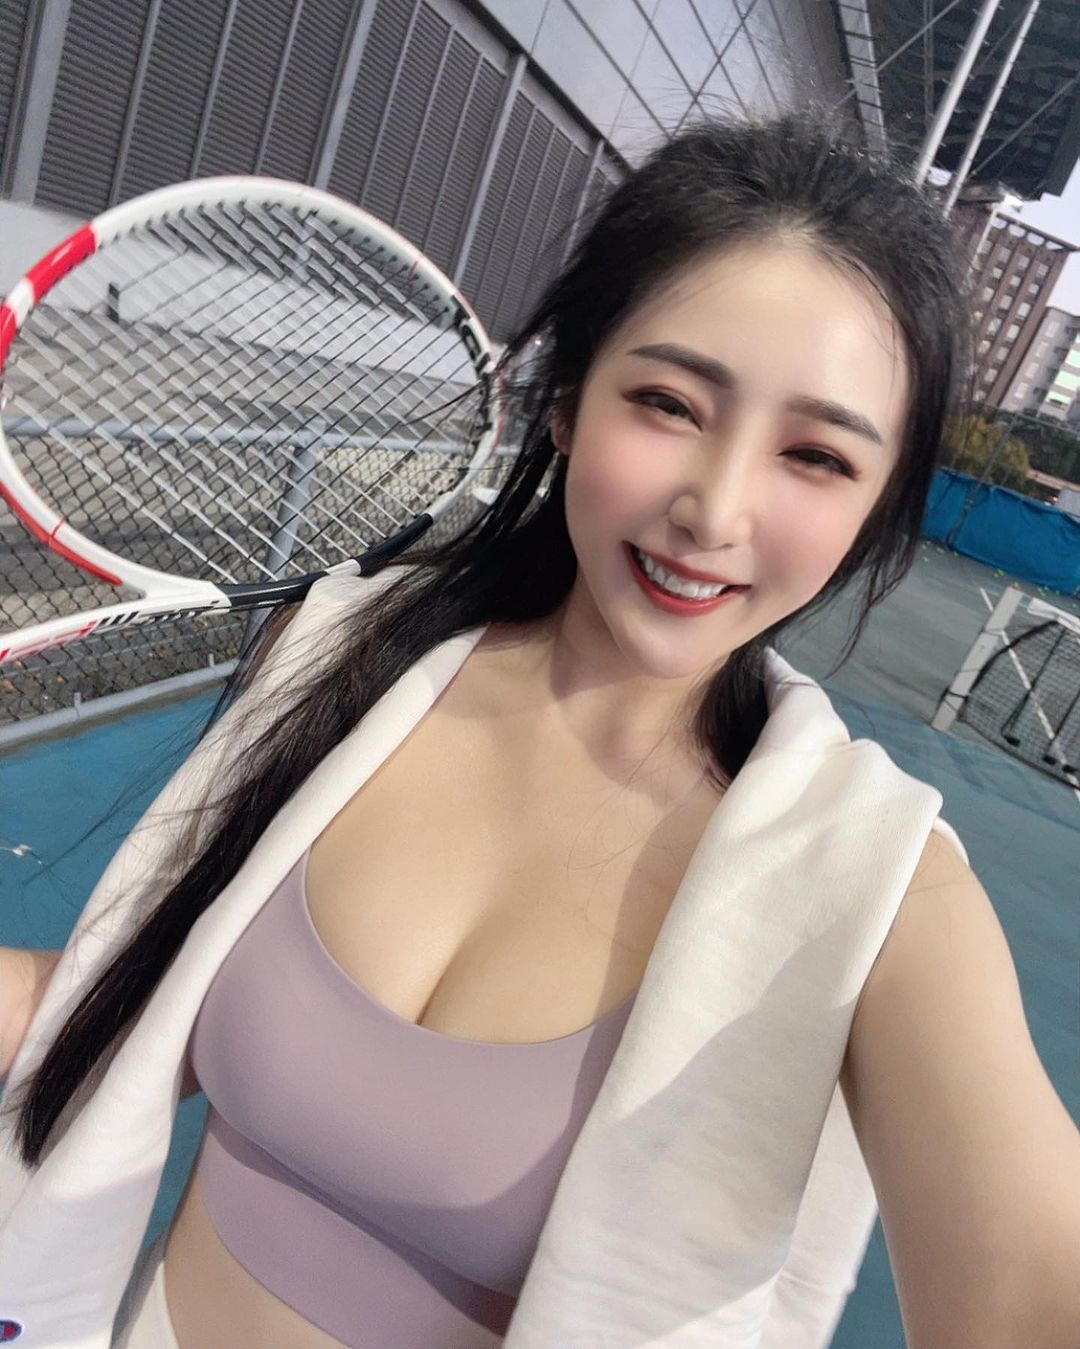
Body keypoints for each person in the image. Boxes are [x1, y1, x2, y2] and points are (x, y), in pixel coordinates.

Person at [1, 113, 1078, 1349]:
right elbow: (122, 1000)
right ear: (568, 401)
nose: (714, 508)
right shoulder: (340, 656)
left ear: (876, 508)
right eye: (669, 402)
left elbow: (1028, 1281)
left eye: (817, 456)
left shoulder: (884, 889)